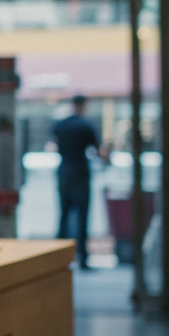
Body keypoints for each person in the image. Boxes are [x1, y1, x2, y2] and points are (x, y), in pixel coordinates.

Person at [52, 95, 109, 270]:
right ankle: (83, 260)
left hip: (63, 172)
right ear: (83, 105)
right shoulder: (86, 126)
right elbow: (99, 152)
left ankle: (58, 259)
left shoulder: (59, 125)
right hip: (80, 172)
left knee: (63, 215)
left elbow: (54, 145)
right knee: (83, 217)